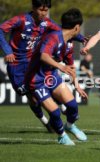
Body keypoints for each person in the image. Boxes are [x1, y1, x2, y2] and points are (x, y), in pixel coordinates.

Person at [25, 8, 88, 145]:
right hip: (36, 80)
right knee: (54, 112)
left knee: (72, 106)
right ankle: (62, 136)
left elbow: (70, 68)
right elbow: (44, 56)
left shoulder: (69, 43)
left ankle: (70, 126)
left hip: (51, 76)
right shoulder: (53, 37)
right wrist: (60, 66)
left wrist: (77, 86)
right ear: (77, 27)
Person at [0, 0, 61, 132]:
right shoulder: (20, 20)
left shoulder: (47, 23)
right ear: (33, 8)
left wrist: (80, 37)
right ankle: (44, 120)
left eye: (46, 10)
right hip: (16, 67)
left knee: (45, 89)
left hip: (33, 63)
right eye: (41, 10)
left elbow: (62, 33)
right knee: (32, 97)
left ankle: (56, 118)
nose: (44, 13)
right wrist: (8, 51)